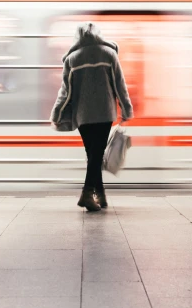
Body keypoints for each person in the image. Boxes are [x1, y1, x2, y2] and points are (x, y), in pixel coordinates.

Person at [51, 23, 133, 211]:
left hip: (83, 116)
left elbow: (65, 92)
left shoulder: (72, 58)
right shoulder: (109, 54)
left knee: (93, 155)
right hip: (105, 114)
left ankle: (100, 194)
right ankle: (88, 193)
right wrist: (126, 110)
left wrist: (56, 113)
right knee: (96, 156)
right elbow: (120, 85)